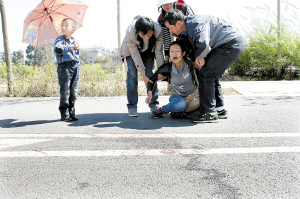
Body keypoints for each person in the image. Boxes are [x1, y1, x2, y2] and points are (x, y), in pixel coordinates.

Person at [164, 9, 245, 123]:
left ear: (179, 23)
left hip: (229, 44)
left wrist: (199, 57)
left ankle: (209, 113)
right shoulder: (189, 25)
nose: (170, 30)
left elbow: (204, 45)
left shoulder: (194, 24)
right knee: (211, 75)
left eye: (170, 27)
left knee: (206, 74)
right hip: (229, 44)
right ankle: (219, 109)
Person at [119, 17, 164, 117]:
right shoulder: (130, 32)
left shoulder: (158, 30)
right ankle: (132, 106)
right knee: (132, 75)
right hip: (131, 52)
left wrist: (161, 71)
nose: (147, 37)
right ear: (138, 32)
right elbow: (135, 55)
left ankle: (154, 105)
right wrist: (143, 75)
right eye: (144, 35)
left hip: (149, 50)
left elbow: (159, 52)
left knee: (151, 75)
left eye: (149, 34)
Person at [146, 40, 198, 119]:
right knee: (182, 105)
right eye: (172, 51)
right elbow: (151, 80)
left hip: (192, 97)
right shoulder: (167, 67)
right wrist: (150, 94)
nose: (174, 54)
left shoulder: (190, 64)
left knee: (203, 104)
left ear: (183, 53)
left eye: (177, 51)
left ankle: (178, 111)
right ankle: (162, 110)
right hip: (177, 98)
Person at [54, 18, 80, 121]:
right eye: (62, 25)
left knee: (74, 90)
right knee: (65, 91)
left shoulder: (75, 41)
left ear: (73, 29)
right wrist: (72, 47)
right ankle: (64, 113)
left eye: (66, 25)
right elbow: (58, 49)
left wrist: (75, 47)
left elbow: (77, 56)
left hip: (75, 66)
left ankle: (72, 111)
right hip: (64, 67)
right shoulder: (59, 40)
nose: (63, 27)